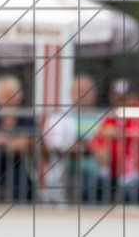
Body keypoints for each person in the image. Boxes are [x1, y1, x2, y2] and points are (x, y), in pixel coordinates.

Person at [89, 79, 139, 203]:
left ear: (134, 98)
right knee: (92, 185)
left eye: (124, 99)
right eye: (116, 98)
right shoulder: (112, 116)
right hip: (116, 175)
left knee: (131, 189)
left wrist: (119, 133)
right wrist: (99, 148)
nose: (120, 103)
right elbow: (96, 139)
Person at [41, 75, 104, 203]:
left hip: (96, 173)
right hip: (67, 172)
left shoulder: (103, 119)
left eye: (87, 91)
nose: (83, 95)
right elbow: (47, 145)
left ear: (94, 94)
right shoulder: (58, 119)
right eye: (78, 91)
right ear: (70, 94)